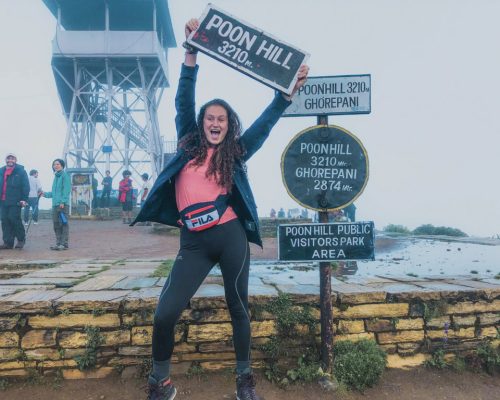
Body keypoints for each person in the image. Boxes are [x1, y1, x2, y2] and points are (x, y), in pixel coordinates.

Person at [133, 18, 308, 400]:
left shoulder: (236, 152)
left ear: (229, 126)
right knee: (165, 313)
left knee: (238, 308)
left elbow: (263, 126)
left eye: (222, 119)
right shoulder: (187, 143)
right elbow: (183, 98)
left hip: (230, 238)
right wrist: (192, 53)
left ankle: (245, 384)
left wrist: (286, 95)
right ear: (202, 123)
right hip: (193, 244)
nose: (215, 123)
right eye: (210, 118)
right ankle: (159, 384)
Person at [0, 153, 29, 249]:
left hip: (16, 200)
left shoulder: (21, 171)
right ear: (6, 160)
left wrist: (24, 199)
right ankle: (8, 243)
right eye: (8, 158)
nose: (10, 160)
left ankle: (21, 240)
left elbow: (25, 186)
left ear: (15, 160)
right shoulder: (1, 171)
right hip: (3, 201)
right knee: (4, 220)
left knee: (13, 218)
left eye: (12, 159)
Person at [43, 159, 71, 250]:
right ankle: (58, 243)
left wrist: (63, 201)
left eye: (58, 164)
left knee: (63, 224)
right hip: (55, 205)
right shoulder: (56, 177)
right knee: (56, 225)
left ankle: (64, 244)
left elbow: (66, 190)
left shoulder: (65, 176)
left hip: (62, 205)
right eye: (54, 164)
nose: (56, 166)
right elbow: (54, 193)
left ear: (62, 165)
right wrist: (45, 194)